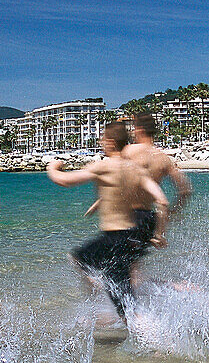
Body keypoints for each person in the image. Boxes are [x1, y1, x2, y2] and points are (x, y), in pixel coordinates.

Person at [47, 121, 170, 321]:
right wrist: (158, 234)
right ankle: (153, 343)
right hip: (131, 239)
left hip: (113, 239)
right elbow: (163, 202)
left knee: (78, 259)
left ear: (111, 143)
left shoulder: (104, 165)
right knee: (126, 304)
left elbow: (65, 180)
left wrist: (52, 167)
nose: (101, 143)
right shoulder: (137, 170)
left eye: (103, 140)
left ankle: (96, 292)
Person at [123, 112, 192, 253]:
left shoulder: (129, 151)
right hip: (148, 219)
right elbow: (185, 190)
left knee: (104, 262)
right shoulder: (164, 158)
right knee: (132, 264)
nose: (133, 132)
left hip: (128, 217)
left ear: (140, 130)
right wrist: (172, 213)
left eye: (134, 129)